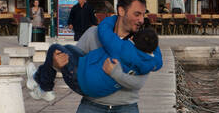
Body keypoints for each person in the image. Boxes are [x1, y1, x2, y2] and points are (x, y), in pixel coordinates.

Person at [28, 18, 161, 102]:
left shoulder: (121, 48)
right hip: (91, 78)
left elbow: (103, 29)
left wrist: (117, 18)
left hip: (81, 80)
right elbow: (158, 57)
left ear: (132, 39)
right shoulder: (151, 62)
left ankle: (45, 88)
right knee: (68, 48)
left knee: (55, 49)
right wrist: (151, 41)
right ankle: (38, 76)